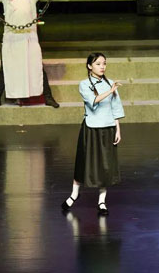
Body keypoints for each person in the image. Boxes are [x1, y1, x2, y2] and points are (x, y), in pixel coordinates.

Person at [61, 53, 124, 215]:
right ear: (90, 66)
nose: (102, 67)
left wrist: (118, 129)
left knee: (105, 165)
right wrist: (111, 90)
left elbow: (116, 108)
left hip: (108, 128)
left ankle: (102, 201)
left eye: (104, 63)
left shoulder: (110, 83)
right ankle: (74, 194)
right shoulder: (84, 84)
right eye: (98, 64)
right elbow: (93, 100)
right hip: (90, 128)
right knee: (83, 163)